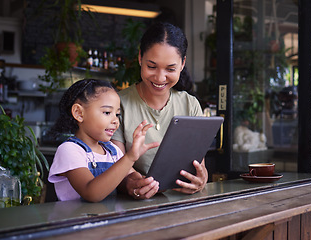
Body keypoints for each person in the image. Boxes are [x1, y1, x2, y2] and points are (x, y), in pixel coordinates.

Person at [112, 22, 208, 199]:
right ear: (140, 58)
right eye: (152, 66)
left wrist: (200, 180)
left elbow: (199, 166)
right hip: (133, 208)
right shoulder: (118, 104)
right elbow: (114, 162)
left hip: (180, 203)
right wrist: (130, 182)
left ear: (182, 64)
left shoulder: (190, 104)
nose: (160, 77)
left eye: (170, 69)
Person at [48, 79, 160, 202]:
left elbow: (129, 175)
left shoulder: (111, 150)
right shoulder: (70, 150)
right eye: (107, 112)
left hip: (107, 218)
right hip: (78, 219)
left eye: (117, 114)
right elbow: (91, 193)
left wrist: (142, 183)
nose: (115, 121)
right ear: (79, 113)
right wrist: (130, 157)